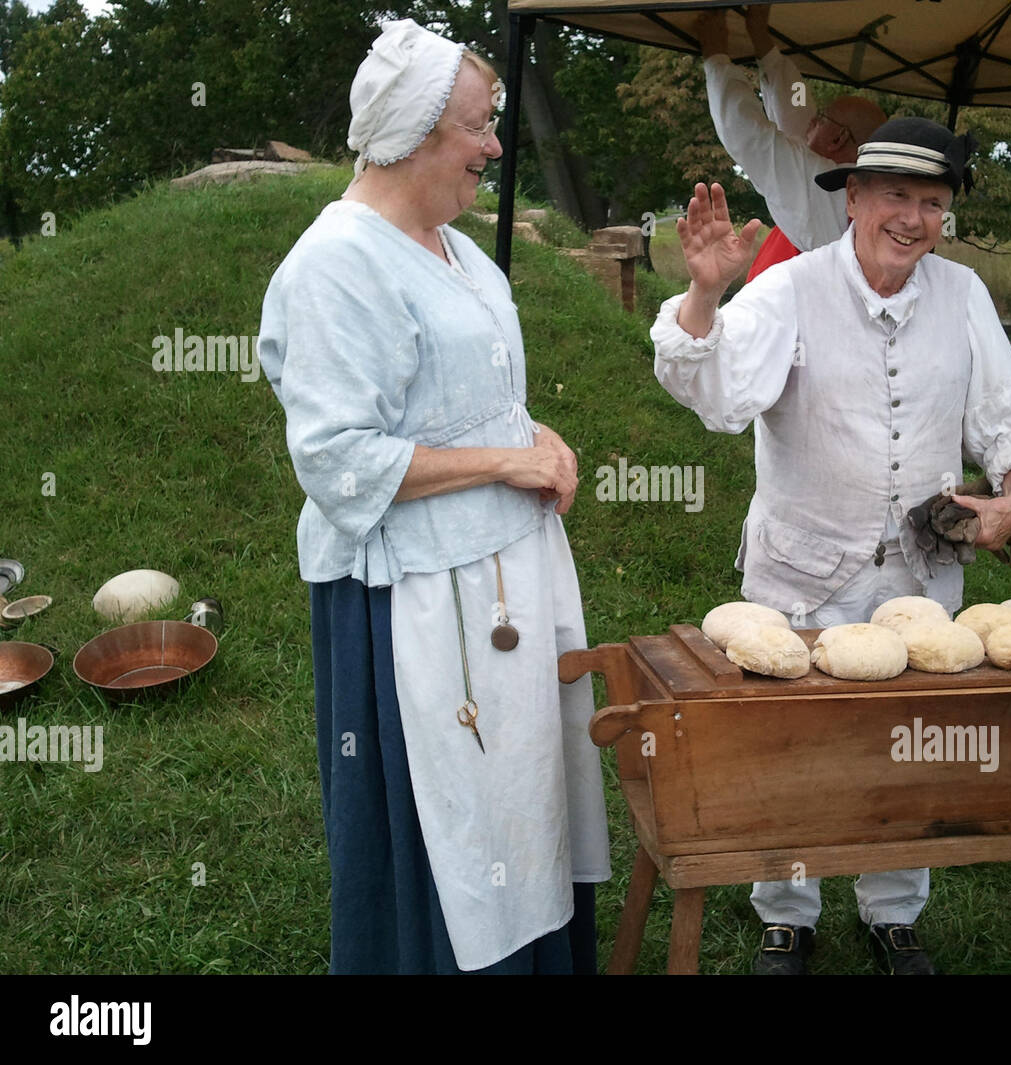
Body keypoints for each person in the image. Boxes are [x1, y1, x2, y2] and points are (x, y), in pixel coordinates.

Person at [650, 118, 1011, 975]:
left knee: (911, 747)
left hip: (921, 575)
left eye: (933, 202)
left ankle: (893, 910)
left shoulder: (963, 294)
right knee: (792, 747)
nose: (912, 218)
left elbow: (1006, 417)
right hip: (803, 570)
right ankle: (787, 915)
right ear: (855, 200)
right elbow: (717, 392)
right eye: (897, 196)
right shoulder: (790, 288)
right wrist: (704, 297)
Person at [257, 19, 610, 974]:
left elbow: (477, 401)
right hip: (411, 603)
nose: (495, 146)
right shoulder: (339, 265)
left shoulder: (460, 251)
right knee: (452, 823)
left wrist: (534, 436)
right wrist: (502, 465)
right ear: (413, 134)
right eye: (478, 126)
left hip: (502, 579)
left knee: (521, 799)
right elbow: (337, 459)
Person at [696, 5, 886, 278]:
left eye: (820, 118)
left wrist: (715, 56)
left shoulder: (826, 186)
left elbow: (750, 137)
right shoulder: (853, 188)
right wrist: (762, 40)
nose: (811, 120)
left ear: (839, 138)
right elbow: (797, 110)